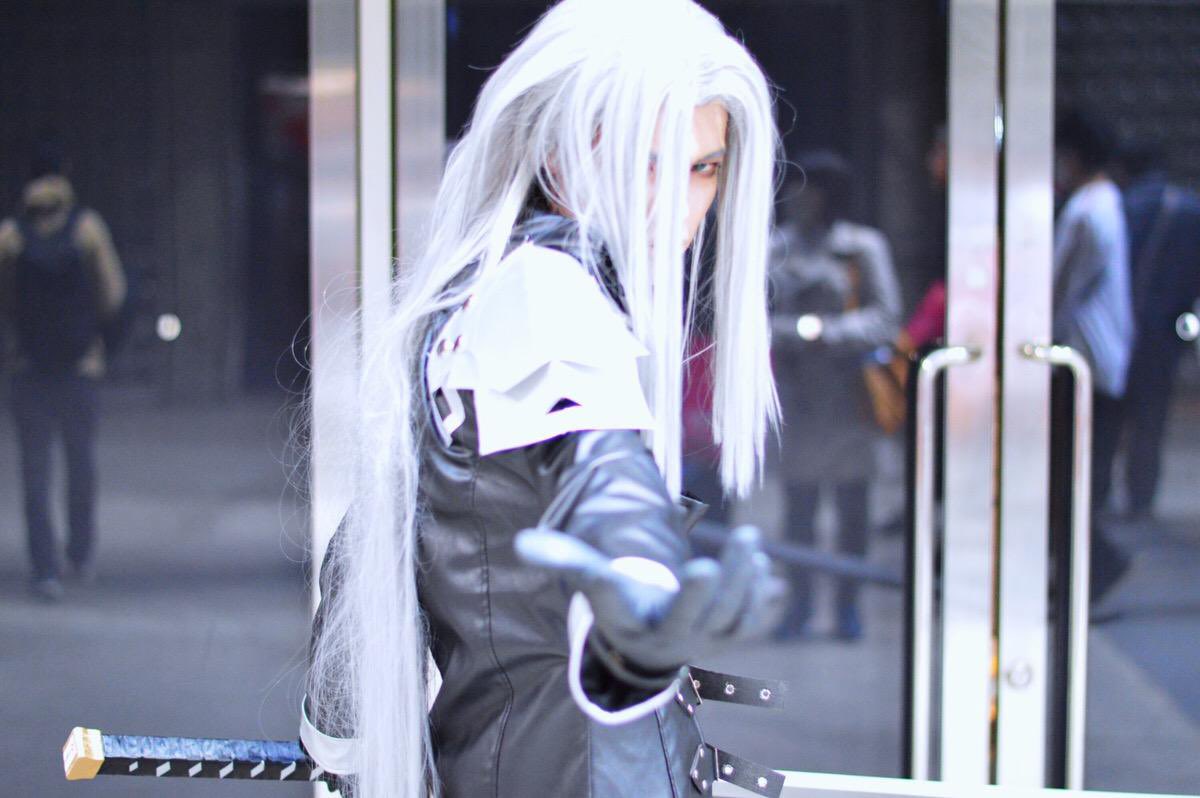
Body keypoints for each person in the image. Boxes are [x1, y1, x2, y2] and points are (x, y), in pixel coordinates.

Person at [301, 2, 786, 796]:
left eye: (704, 167)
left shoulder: (487, 292)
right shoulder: (545, 299)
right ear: (559, 151)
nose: (681, 207)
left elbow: (371, 546)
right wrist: (635, 581)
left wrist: (341, 744)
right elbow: (604, 475)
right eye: (646, 162)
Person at [768, 152, 901, 640]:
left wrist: (825, 331)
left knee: (852, 511)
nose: (797, 197)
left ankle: (848, 606)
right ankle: (798, 605)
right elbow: (755, 318)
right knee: (798, 511)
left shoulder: (862, 248)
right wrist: (796, 332)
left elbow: (885, 318)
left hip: (849, 399)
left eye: (806, 188)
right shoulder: (775, 248)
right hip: (799, 397)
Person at [0, 143, 127, 602]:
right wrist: (92, 335)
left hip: (27, 367)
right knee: (80, 463)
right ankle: (79, 554)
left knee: (34, 472)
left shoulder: (10, 236)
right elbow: (113, 294)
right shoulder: (87, 228)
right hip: (80, 365)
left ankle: (44, 569)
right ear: (66, 174)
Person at [1051, 108, 1134, 602]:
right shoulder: (1104, 203)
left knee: (1067, 477)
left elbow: (1062, 287)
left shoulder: (1086, 210)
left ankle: (1094, 567)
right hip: (1098, 356)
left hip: (1083, 358)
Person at [1114, 141, 1200, 521]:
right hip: (1165, 328)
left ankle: (1096, 492)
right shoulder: (1190, 210)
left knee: (1108, 412)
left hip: (1121, 324)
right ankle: (1141, 496)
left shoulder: (1125, 206)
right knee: (1151, 417)